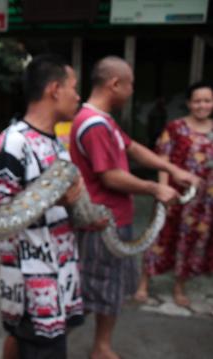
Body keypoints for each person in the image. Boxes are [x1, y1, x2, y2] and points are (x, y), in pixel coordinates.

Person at [69, 56, 200, 359]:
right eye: (130, 86)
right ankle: (45, 342)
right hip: (101, 225)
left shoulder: (105, 120)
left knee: (110, 291)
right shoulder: (92, 124)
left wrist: (173, 169)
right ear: (115, 84)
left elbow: (132, 148)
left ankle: (100, 347)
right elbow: (110, 176)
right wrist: (154, 187)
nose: (130, 92)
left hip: (116, 220)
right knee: (94, 292)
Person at [0, 54, 88, 359]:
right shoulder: (12, 144)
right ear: (55, 89)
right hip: (33, 283)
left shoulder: (56, 143)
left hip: (62, 273)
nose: (78, 96)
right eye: (74, 87)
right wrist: (52, 197)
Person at [136, 81, 213, 307]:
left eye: (207, 101)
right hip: (174, 195)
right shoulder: (175, 128)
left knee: (189, 241)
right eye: (197, 101)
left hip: (204, 202)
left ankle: (179, 286)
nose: (202, 105)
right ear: (189, 103)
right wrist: (163, 192)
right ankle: (143, 282)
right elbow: (162, 160)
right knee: (160, 236)